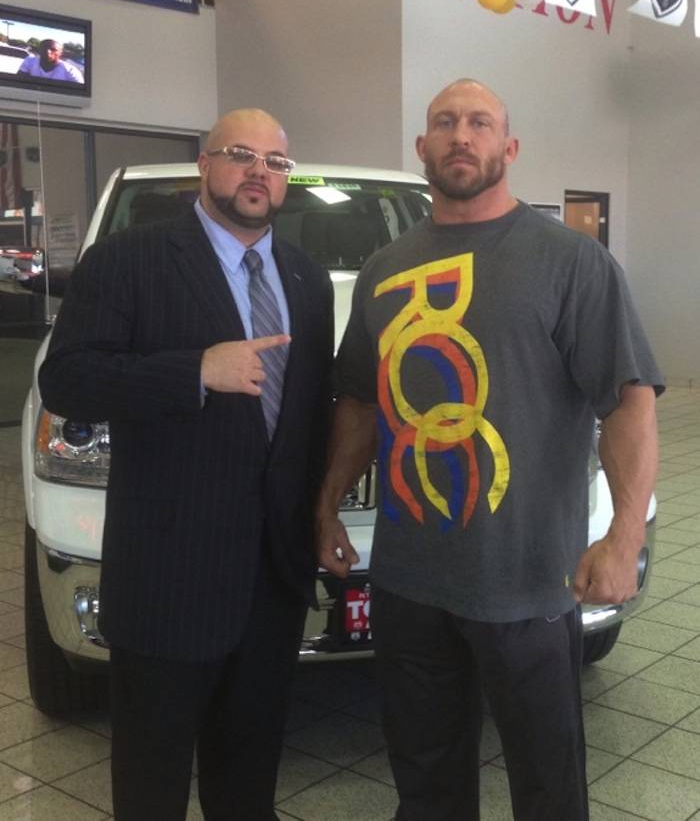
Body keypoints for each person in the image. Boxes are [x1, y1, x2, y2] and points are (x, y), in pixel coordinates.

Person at [315, 79, 663, 820]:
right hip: (409, 582)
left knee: (547, 788)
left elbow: (629, 401)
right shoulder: (383, 269)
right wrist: (327, 507)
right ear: (422, 147)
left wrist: (624, 532)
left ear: (509, 146)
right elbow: (360, 404)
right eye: (445, 123)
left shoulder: (571, 262)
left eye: (479, 123)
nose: (461, 136)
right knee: (426, 785)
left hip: (527, 583)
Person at [39, 108, 334, 820]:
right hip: (169, 579)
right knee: (152, 787)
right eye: (241, 154)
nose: (259, 171)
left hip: (271, 580)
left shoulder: (306, 278)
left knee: (249, 784)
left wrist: (321, 515)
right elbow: (67, 379)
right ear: (204, 165)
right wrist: (194, 371)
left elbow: (309, 418)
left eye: (276, 161)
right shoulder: (128, 260)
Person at [18, 38, 84, 82]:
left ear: (60, 53)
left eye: (53, 50)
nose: (48, 52)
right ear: (39, 50)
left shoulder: (71, 71)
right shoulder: (30, 61)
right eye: (44, 48)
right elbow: (19, 83)